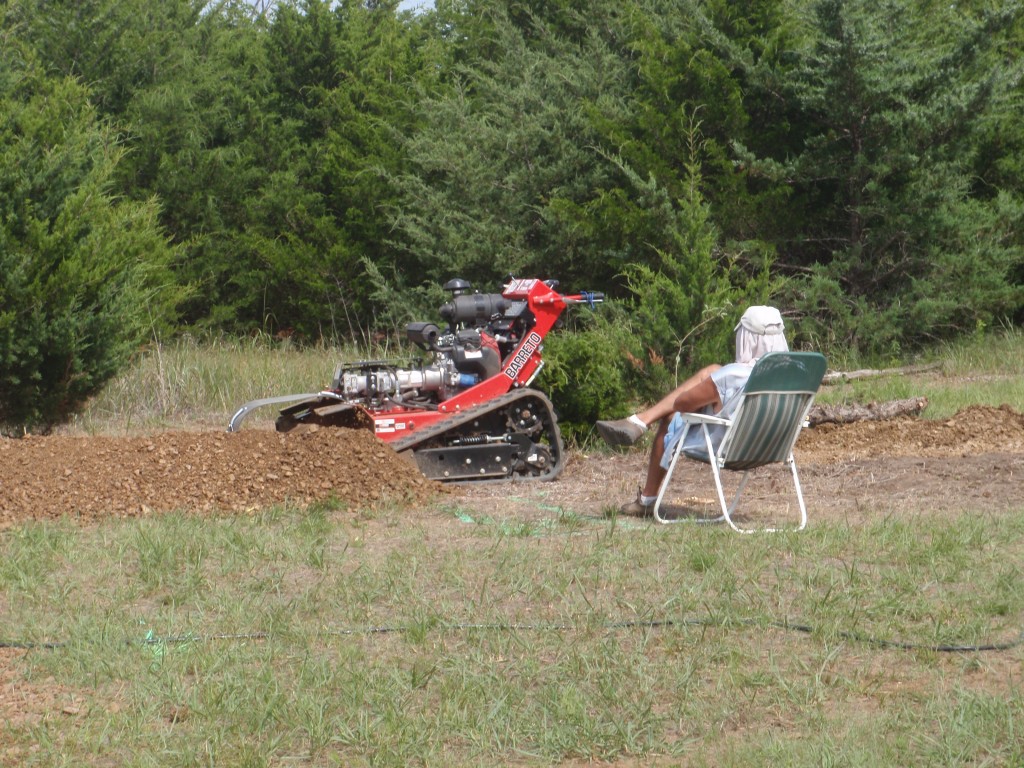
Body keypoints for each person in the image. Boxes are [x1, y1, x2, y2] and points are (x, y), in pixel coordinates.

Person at [595, 306, 789, 516]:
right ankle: (640, 421)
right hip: (771, 447)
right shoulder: (793, 377)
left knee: (670, 417)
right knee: (712, 370)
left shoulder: (733, 375)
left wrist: (707, 397)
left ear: (747, 338)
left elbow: (681, 404)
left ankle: (646, 498)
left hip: (727, 447)